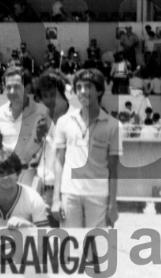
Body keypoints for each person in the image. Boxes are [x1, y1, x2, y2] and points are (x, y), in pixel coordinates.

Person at [52, 69, 122, 229]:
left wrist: (113, 204)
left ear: (99, 90)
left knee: (97, 247)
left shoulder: (114, 125)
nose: (83, 91)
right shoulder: (64, 122)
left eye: (88, 86)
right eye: (79, 87)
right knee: (70, 247)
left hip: (98, 195)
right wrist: (56, 198)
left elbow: (113, 169)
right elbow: (59, 161)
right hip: (69, 194)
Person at [0, 67, 53, 189]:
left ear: (28, 88)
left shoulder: (43, 112)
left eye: (17, 87)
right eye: (8, 87)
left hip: (32, 176)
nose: (12, 91)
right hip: (6, 175)